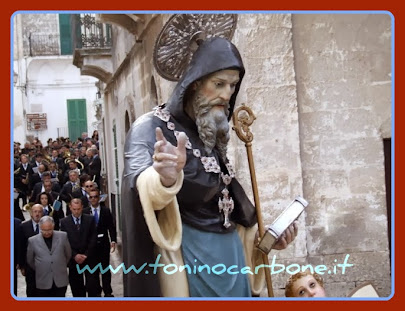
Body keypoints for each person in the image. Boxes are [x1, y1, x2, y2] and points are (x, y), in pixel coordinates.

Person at [121, 37, 297, 297]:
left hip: (233, 260)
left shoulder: (209, 130)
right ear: (193, 84)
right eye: (218, 84)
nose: (227, 94)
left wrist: (266, 242)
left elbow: (231, 210)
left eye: (232, 85)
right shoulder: (149, 128)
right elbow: (137, 181)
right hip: (189, 262)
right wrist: (164, 180)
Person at [60, 198, 98, 297]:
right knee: (76, 286)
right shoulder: (64, 222)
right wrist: (74, 255)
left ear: (82, 208)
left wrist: (86, 254)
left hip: (89, 258)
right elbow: (65, 241)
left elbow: (93, 238)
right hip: (73, 260)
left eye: (78, 209)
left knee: (92, 285)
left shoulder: (90, 219)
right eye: (74, 209)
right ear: (70, 208)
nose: (76, 211)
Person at [26, 216, 71, 297]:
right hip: (43, 280)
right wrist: (41, 267)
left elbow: (68, 254)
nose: (47, 232)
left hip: (60, 279)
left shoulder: (63, 236)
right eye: (44, 230)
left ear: (53, 226)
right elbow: (30, 260)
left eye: (49, 230)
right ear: (40, 228)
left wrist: (59, 264)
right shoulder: (32, 240)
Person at [83, 188, 117, 297]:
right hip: (91, 247)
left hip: (103, 245)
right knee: (93, 270)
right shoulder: (85, 212)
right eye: (91, 197)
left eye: (95, 197)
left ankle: (108, 291)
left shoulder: (105, 211)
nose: (93, 199)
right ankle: (96, 291)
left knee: (105, 269)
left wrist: (113, 240)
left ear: (99, 198)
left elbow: (111, 227)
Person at [20, 204, 44, 297]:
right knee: (31, 289)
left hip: (44, 265)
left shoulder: (47, 225)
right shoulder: (24, 226)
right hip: (29, 264)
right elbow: (21, 246)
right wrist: (21, 265)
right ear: (31, 213)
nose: (37, 214)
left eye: (39, 212)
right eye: (35, 212)